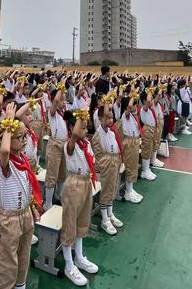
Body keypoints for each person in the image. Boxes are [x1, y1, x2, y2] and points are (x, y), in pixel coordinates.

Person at [0, 103, 42, 289]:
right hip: (9, 219)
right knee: (6, 263)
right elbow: (4, 150)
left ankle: (20, 285)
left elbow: (28, 185)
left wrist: (33, 206)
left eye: (25, 135)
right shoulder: (4, 163)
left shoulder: (22, 159)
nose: (24, 140)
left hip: (24, 214)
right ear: (8, 138)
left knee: (23, 257)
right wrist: (9, 123)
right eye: (19, 137)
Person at [61, 110, 99, 286]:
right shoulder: (71, 144)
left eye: (86, 127)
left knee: (82, 222)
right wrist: (82, 115)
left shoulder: (86, 143)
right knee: (70, 224)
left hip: (85, 183)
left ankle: (79, 257)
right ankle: (69, 264)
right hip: (74, 184)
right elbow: (75, 134)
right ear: (73, 127)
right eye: (82, 127)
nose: (85, 130)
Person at [91, 105, 123, 236]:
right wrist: (111, 162)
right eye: (107, 117)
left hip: (114, 164)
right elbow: (99, 157)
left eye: (112, 117)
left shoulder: (111, 132)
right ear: (100, 118)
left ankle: (110, 214)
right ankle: (104, 219)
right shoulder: (97, 135)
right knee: (105, 191)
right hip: (106, 167)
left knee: (112, 189)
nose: (111, 120)